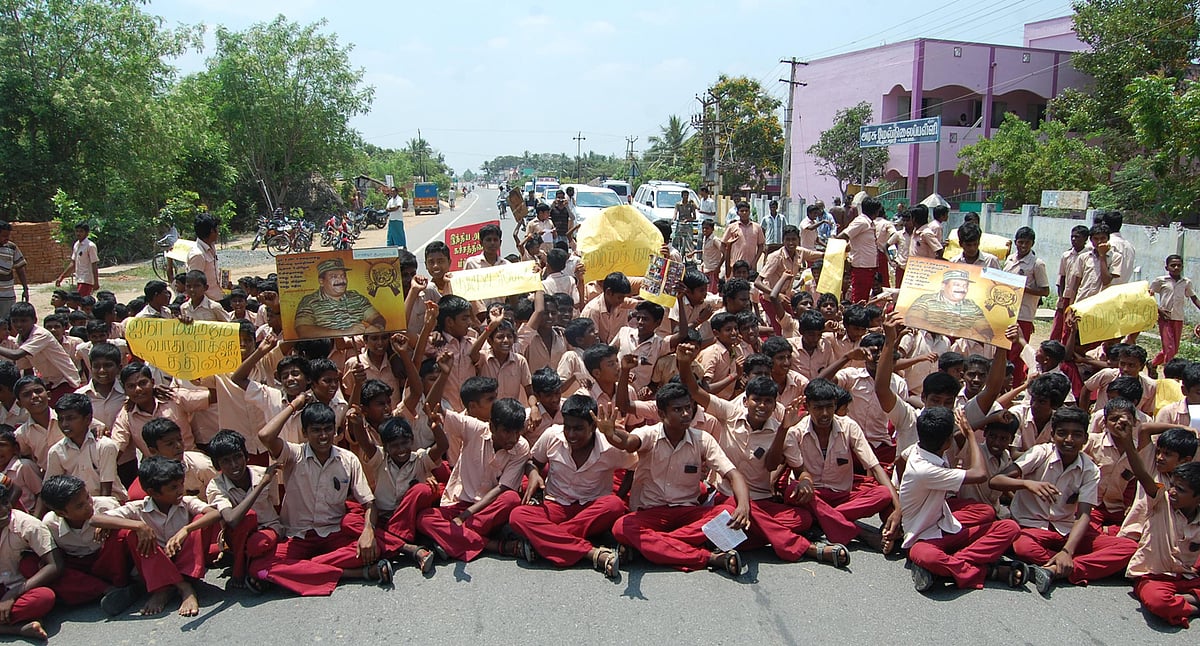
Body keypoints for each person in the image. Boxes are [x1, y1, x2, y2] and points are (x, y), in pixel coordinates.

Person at [608, 384, 753, 577]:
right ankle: (709, 558)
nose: (686, 413)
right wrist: (610, 434)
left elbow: (733, 475)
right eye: (678, 409)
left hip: (688, 512)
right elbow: (628, 443)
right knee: (621, 528)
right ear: (661, 414)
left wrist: (743, 506)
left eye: (688, 407)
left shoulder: (703, 439)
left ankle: (652, 545)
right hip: (651, 512)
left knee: (727, 512)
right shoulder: (649, 434)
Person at [989, 406, 1138, 595]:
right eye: (1062, 433)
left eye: (1076, 435)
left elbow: (1084, 515)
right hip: (1033, 527)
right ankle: (1075, 566)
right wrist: (1027, 484)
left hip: (1066, 530)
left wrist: (1067, 551)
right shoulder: (1041, 452)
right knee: (1024, 547)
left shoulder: (1089, 469)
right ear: (1052, 435)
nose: (1069, 440)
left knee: (1127, 547)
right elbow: (996, 481)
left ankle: (1052, 569)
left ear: (1085, 438)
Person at [508, 394, 633, 577]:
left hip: (591, 508)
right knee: (517, 516)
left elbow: (633, 467)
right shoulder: (552, 435)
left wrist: (620, 495)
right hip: (555, 505)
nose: (571, 434)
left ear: (593, 426)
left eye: (578, 429)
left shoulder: (609, 444)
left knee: (614, 505)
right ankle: (592, 553)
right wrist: (533, 473)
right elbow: (533, 462)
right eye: (568, 427)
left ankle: (545, 541)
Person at [902, 407, 1026, 592]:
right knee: (925, 555)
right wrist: (970, 434)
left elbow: (899, 460)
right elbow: (980, 474)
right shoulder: (924, 470)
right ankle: (988, 570)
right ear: (946, 442)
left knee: (1001, 521)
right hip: (923, 536)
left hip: (943, 521)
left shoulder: (922, 448)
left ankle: (949, 565)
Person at [101, 456, 220, 616]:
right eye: (173, 487)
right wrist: (139, 526)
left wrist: (186, 529)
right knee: (132, 534)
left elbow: (214, 514)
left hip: (184, 561)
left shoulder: (186, 502)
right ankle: (180, 587)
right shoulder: (139, 508)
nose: (180, 490)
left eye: (180, 484)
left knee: (200, 520)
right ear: (152, 492)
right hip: (156, 564)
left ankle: (173, 585)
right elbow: (96, 519)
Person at [416, 398, 530, 562]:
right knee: (424, 518)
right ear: (492, 426)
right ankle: (494, 545)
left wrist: (465, 516)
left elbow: (502, 489)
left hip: (487, 508)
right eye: (507, 431)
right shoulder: (475, 429)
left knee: (511, 499)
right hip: (458, 502)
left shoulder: (522, 447)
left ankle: (454, 538)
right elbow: (435, 408)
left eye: (517, 432)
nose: (513, 438)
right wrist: (444, 375)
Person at [37, 475, 138, 614]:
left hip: (110, 562)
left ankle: (118, 586)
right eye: (80, 506)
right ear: (62, 513)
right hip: (81, 567)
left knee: (120, 536)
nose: (89, 505)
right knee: (47, 571)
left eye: (88, 497)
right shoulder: (50, 524)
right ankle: (108, 590)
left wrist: (108, 523)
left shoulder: (106, 505)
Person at [0, 303, 81, 405]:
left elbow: (16, 355)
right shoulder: (19, 339)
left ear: (34, 320)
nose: (19, 325)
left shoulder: (40, 334)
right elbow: (27, 368)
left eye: (23, 321)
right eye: (14, 321)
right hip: (48, 383)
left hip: (65, 381)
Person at [1003, 226, 1050, 383]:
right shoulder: (1010, 259)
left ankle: (1016, 385)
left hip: (1024, 313)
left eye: (1027, 243)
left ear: (1032, 244)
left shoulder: (1037, 264)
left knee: (1018, 351)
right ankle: (1003, 384)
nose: (1023, 246)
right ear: (1016, 242)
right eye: (1021, 242)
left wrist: (1024, 288)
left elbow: (1045, 290)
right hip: (1006, 311)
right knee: (1005, 350)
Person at [293, 259, 385, 338]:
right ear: (321, 281)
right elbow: (303, 331)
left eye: (343, 275)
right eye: (334, 276)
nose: (341, 280)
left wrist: (377, 326)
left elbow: (376, 317)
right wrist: (344, 333)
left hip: (359, 349)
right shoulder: (309, 301)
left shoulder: (356, 297)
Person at [904, 269, 994, 343]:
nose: (962, 289)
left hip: (960, 350)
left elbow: (985, 330)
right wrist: (952, 332)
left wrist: (980, 336)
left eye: (965, 286)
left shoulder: (972, 306)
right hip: (931, 345)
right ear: (943, 285)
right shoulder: (926, 300)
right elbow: (913, 320)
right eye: (957, 285)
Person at [1150, 254, 1200, 369]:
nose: (1176, 268)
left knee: (1173, 349)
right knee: (1170, 349)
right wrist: (1159, 309)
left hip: (1178, 318)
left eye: (1179, 265)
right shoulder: (1161, 281)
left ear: (1182, 267)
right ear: (1167, 268)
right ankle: (1170, 376)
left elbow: (1194, 298)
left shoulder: (1186, 282)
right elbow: (1149, 296)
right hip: (1165, 318)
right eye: (1173, 265)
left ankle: (1152, 364)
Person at [835, 197, 880, 303]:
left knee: (865, 297)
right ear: (875, 211)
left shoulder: (869, 222)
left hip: (869, 267)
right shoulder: (861, 222)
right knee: (860, 298)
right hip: (862, 267)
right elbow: (843, 235)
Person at [186, 213, 224, 303]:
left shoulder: (211, 246)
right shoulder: (198, 254)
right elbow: (194, 285)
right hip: (207, 304)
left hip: (217, 298)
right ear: (212, 231)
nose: (218, 232)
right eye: (217, 229)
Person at [55, 222, 100, 297]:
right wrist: (61, 277)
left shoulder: (90, 246)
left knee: (80, 302)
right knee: (81, 302)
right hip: (79, 278)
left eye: (81, 231)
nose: (78, 233)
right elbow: (73, 263)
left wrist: (96, 282)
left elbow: (94, 264)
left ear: (87, 233)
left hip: (86, 279)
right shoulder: (76, 245)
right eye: (77, 231)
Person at [722, 202, 764, 277]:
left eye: (746, 211)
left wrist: (755, 262)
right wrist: (729, 260)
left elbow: (761, 246)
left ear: (749, 212)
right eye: (742, 211)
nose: (744, 213)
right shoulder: (732, 227)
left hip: (751, 266)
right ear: (737, 213)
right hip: (735, 266)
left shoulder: (757, 227)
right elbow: (723, 244)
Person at [0, 221, 28, 322]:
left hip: (7, 296)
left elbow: (20, 269)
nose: (6, 239)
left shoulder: (12, 248)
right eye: (4, 236)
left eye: (8, 236)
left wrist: (25, 288)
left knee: (6, 322)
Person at [672, 190, 698, 257]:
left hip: (688, 224)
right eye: (684, 195)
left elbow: (694, 217)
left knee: (690, 240)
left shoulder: (691, 205)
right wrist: (673, 219)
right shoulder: (678, 204)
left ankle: (691, 255)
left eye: (687, 195)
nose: (685, 197)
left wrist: (688, 220)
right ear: (682, 196)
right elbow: (675, 213)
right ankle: (674, 252)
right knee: (675, 238)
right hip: (680, 223)